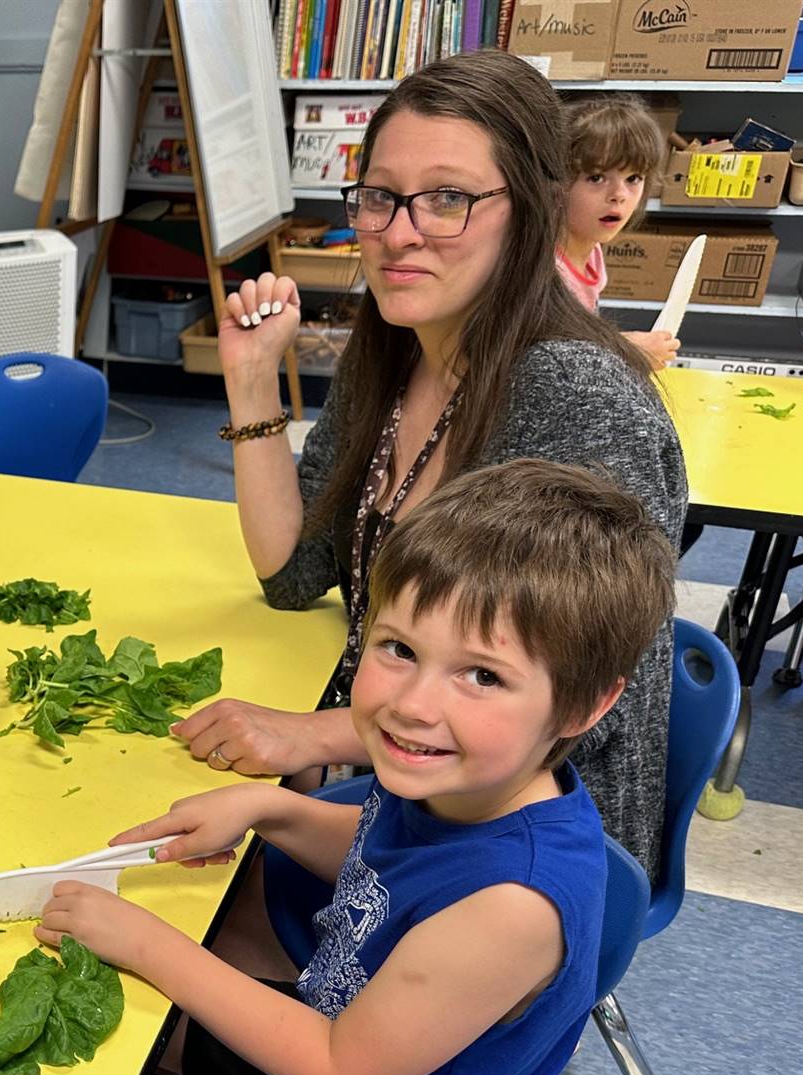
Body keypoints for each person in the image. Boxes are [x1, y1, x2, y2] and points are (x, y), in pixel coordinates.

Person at [38, 462, 677, 1075]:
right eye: (397, 649)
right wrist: (270, 810)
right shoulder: (464, 788)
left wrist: (152, 945)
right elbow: (383, 861)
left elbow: (337, 1069)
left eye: (484, 676)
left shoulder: (511, 906)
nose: (415, 704)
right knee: (134, 1047)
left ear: (581, 706)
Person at [186, 49, 686, 882]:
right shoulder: (392, 351)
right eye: (380, 197)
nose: (397, 232)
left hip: (522, 834)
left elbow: (563, 711)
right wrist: (250, 382)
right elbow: (293, 571)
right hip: (397, 759)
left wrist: (313, 734)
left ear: (529, 212)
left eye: (448, 199)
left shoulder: (577, 398)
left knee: (185, 916)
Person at [556, 93, 679, 370]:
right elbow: (545, 358)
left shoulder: (591, 250)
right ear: (558, 182)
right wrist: (624, 349)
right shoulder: (546, 271)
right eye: (596, 178)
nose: (619, 195)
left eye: (633, 178)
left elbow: (575, 339)